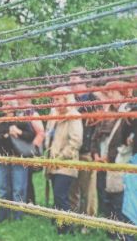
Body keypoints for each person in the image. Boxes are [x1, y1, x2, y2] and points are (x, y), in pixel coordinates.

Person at [90, 81, 134, 241]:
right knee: (108, 200)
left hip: (122, 165)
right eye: (107, 94)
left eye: (112, 94)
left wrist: (110, 157)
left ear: (123, 94)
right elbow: (98, 137)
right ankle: (113, 234)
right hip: (107, 164)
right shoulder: (110, 114)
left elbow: (124, 142)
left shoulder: (128, 114)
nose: (109, 97)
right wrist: (97, 154)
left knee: (121, 204)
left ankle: (122, 235)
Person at [0, 95, 35, 222]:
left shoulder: (21, 120)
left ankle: (17, 217)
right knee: (3, 188)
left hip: (18, 158)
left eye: (8, 104)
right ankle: (3, 215)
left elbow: (31, 136)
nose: (5, 107)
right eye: (3, 104)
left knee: (18, 189)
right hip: (3, 158)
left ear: (14, 105)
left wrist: (19, 133)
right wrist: (5, 136)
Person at [45, 87, 83, 235]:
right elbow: (49, 137)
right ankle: (61, 227)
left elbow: (76, 141)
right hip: (53, 163)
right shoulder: (53, 115)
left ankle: (68, 228)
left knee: (61, 196)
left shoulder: (74, 116)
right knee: (58, 196)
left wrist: (60, 157)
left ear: (66, 99)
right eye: (53, 99)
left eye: (58, 99)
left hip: (66, 164)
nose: (55, 102)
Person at [68, 68, 99, 228]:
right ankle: (73, 220)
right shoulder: (71, 100)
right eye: (70, 82)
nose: (71, 85)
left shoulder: (94, 99)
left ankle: (88, 224)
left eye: (75, 82)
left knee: (88, 190)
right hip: (73, 152)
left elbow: (98, 126)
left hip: (88, 151)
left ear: (83, 81)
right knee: (73, 189)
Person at [16, 86, 45, 205]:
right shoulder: (20, 112)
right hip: (20, 149)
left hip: (30, 151)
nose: (16, 98)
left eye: (18, 95)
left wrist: (32, 149)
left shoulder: (32, 113)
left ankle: (30, 202)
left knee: (27, 178)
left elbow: (41, 133)